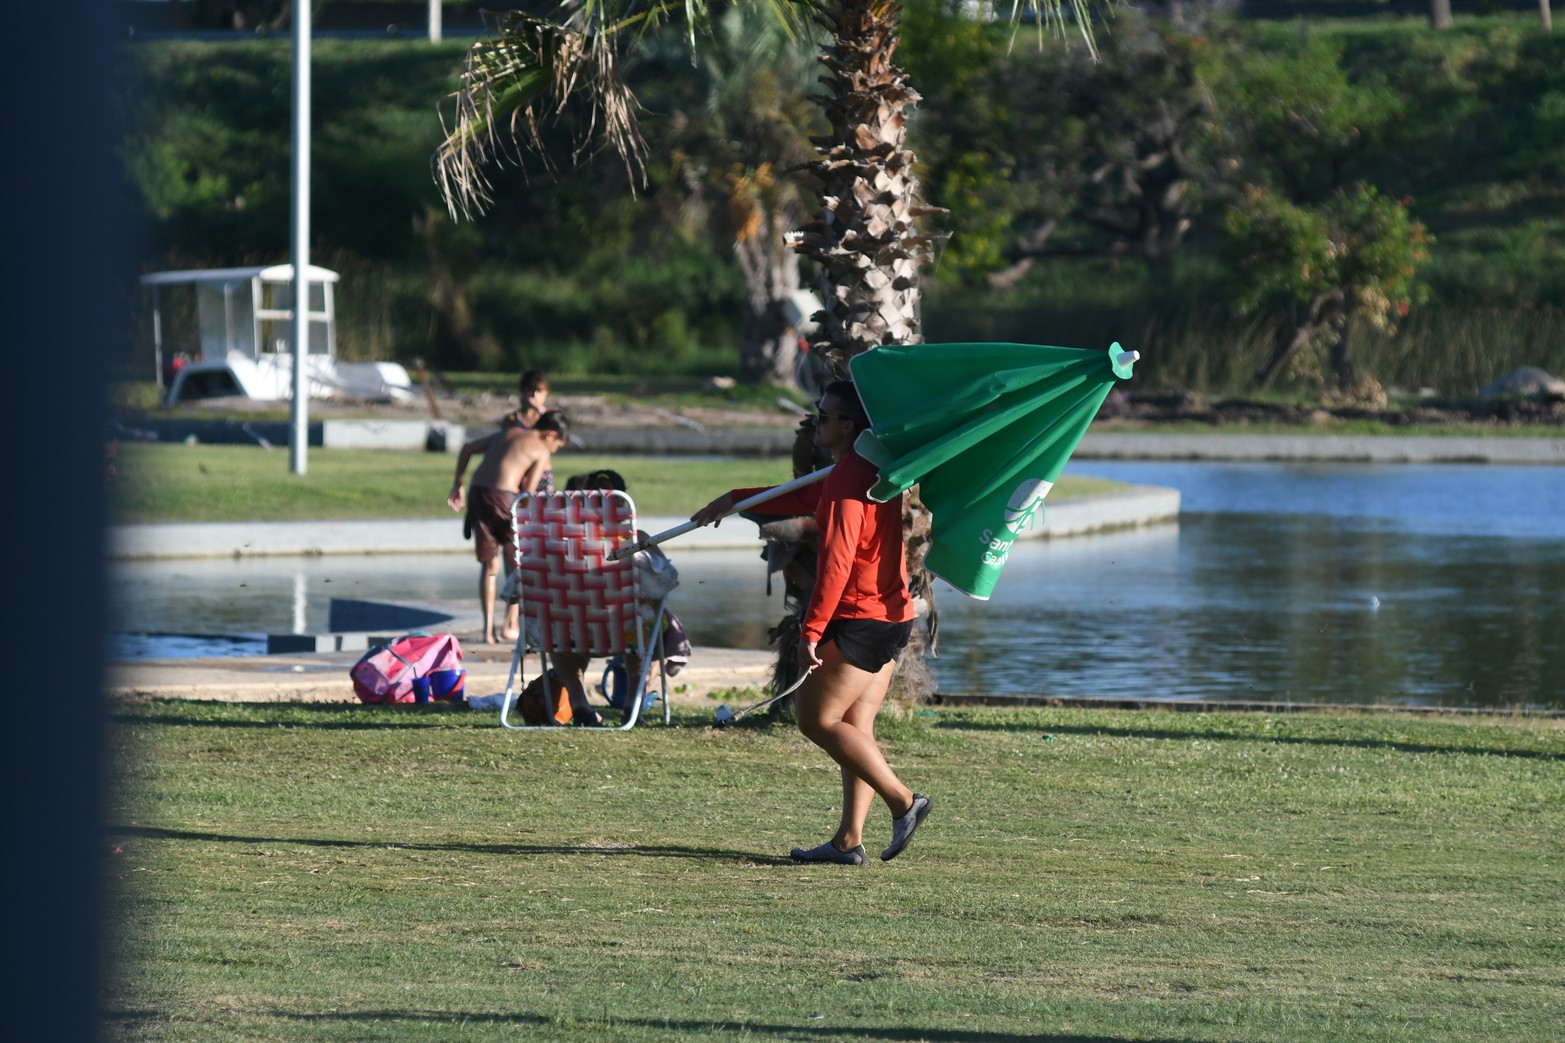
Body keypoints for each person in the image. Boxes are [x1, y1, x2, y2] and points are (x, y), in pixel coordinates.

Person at [690, 379, 930, 864]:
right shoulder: (864, 467)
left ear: (847, 426)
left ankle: (904, 801)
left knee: (817, 720)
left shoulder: (846, 479)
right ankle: (847, 841)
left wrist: (811, 630)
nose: (814, 423)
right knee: (855, 725)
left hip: (861, 617)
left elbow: (837, 564)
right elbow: (799, 496)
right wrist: (733, 499)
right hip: (894, 614)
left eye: (823, 416)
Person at [447, 410, 571, 644]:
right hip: (504, 498)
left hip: (478, 493)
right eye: (557, 445)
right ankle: (509, 626)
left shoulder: (505, 434)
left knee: (488, 565)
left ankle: (487, 632)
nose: (554, 451)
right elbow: (529, 493)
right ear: (551, 435)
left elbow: (467, 449)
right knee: (517, 562)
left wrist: (458, 484)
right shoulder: (541, 449)